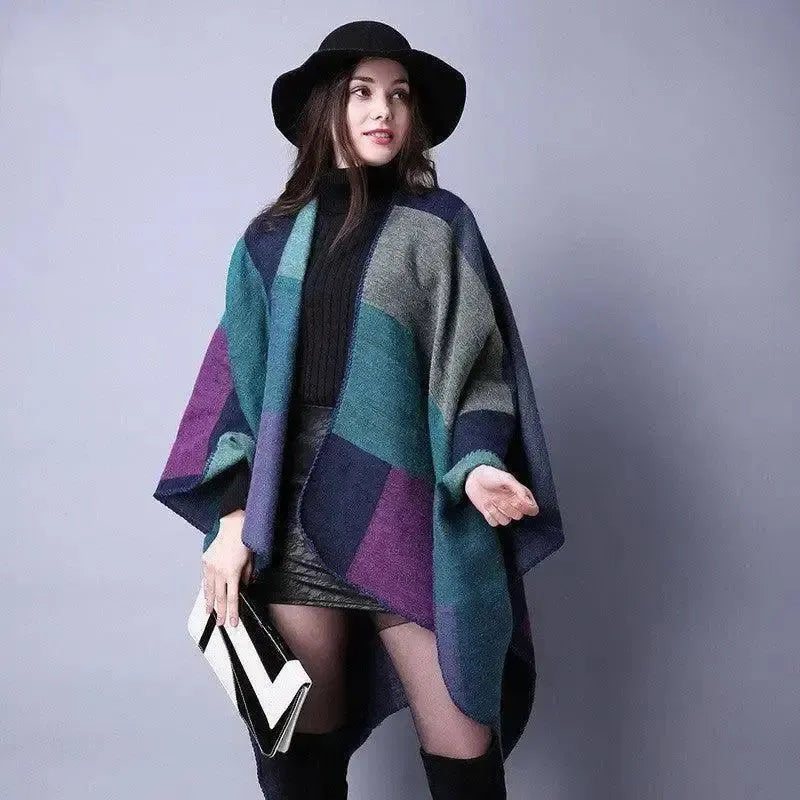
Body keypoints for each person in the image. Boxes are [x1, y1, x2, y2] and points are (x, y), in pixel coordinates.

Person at [153, 19, 565, 800]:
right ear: (327, 107)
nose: (384, 111)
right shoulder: (269, 240)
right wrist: (233, 519)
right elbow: (233, 391)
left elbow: (478, 371)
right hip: (290, 515)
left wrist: (478, 466)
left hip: (411, 501)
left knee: (465, 758)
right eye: (362, 93)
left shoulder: (439, 227)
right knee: (301, 766)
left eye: (399, 96)